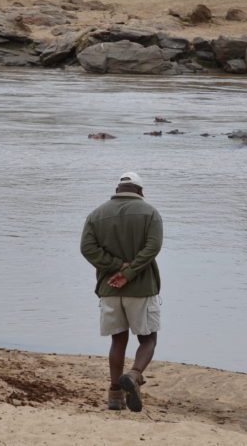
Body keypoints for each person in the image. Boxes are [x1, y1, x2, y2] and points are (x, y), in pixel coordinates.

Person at [80, 171, 163, 412]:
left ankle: (115, 395)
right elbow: (153, 247)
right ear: (141, 192)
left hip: (109, 288)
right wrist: (129, 272)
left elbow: (87, 248)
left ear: (117, 191)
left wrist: (116, 267)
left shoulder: (96, 214)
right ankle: (135, 375)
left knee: (118, 340)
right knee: (148, 339)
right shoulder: (150, 213)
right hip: (142, 288)